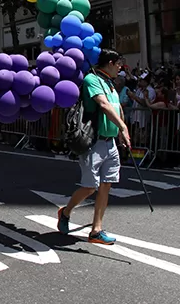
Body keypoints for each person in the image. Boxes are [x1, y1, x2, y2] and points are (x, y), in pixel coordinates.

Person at [57, 49, 131, 245]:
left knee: (106, 185)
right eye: (118, 64)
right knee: (90, 187)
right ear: (109, 63)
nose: (120, 67)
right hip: (94, 142)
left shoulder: (110, 83)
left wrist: (122, 131)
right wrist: (122, 127)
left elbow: (117, 107)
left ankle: (96, 230)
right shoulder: (92, 80)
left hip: (110, 142)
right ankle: (65, 212)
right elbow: (104, 105)